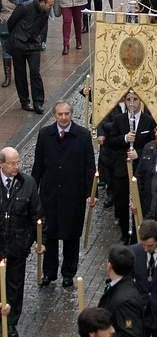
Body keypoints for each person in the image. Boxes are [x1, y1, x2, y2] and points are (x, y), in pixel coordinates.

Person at [33, 102, 96, 287]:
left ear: (71, 114)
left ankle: (69, 272)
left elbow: (89, 165)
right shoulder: (45, 134)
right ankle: (49, 272)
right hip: (50, 195)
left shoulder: (83, 135)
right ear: (55, 115)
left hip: (73, 196)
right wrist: (32, 189)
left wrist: (91, 192)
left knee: (71, 236)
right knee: (49, 235)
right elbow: (38, 164)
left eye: (66, 114)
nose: (63, 117)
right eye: (60, 114)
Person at [0, 147, 43, 337]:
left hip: (18, 245)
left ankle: (11, 322)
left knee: (15, 285)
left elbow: (36, 213)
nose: (16, 167)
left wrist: (35, 239)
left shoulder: (28, 183)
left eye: (17, 162)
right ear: (2, 164)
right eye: (11, 163)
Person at [108, 93, 156, 244]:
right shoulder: (119, 119)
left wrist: (139, 154)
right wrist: (124, 138)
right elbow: (111, 141)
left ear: (141, 101)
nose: (132, 103)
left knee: (140, 201)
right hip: (121, 168)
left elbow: (153, 145)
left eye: (135, 100)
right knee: (121, 201)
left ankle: (138, 232)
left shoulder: (148, 121)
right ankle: (124, 233)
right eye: (129, 100)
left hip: (141, 170)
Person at [7, 0, 55, 113]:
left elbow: (43, 26)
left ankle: (38, 102)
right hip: (19, 43)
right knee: (20, 73)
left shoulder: (45, 11)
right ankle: (25, 101)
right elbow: (11, 22)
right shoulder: (24, 7)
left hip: (33, 43)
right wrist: (18, 36)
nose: (51, 7)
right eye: (49, 5)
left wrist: (39, 39)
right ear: (42, 2)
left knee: (35, 72)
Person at [1, 0, 30, 89]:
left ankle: (20, 76)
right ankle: (7, 77)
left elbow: (29, 9)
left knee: (19, 51)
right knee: (6, 51)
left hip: (19, 26)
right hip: (4, 24)